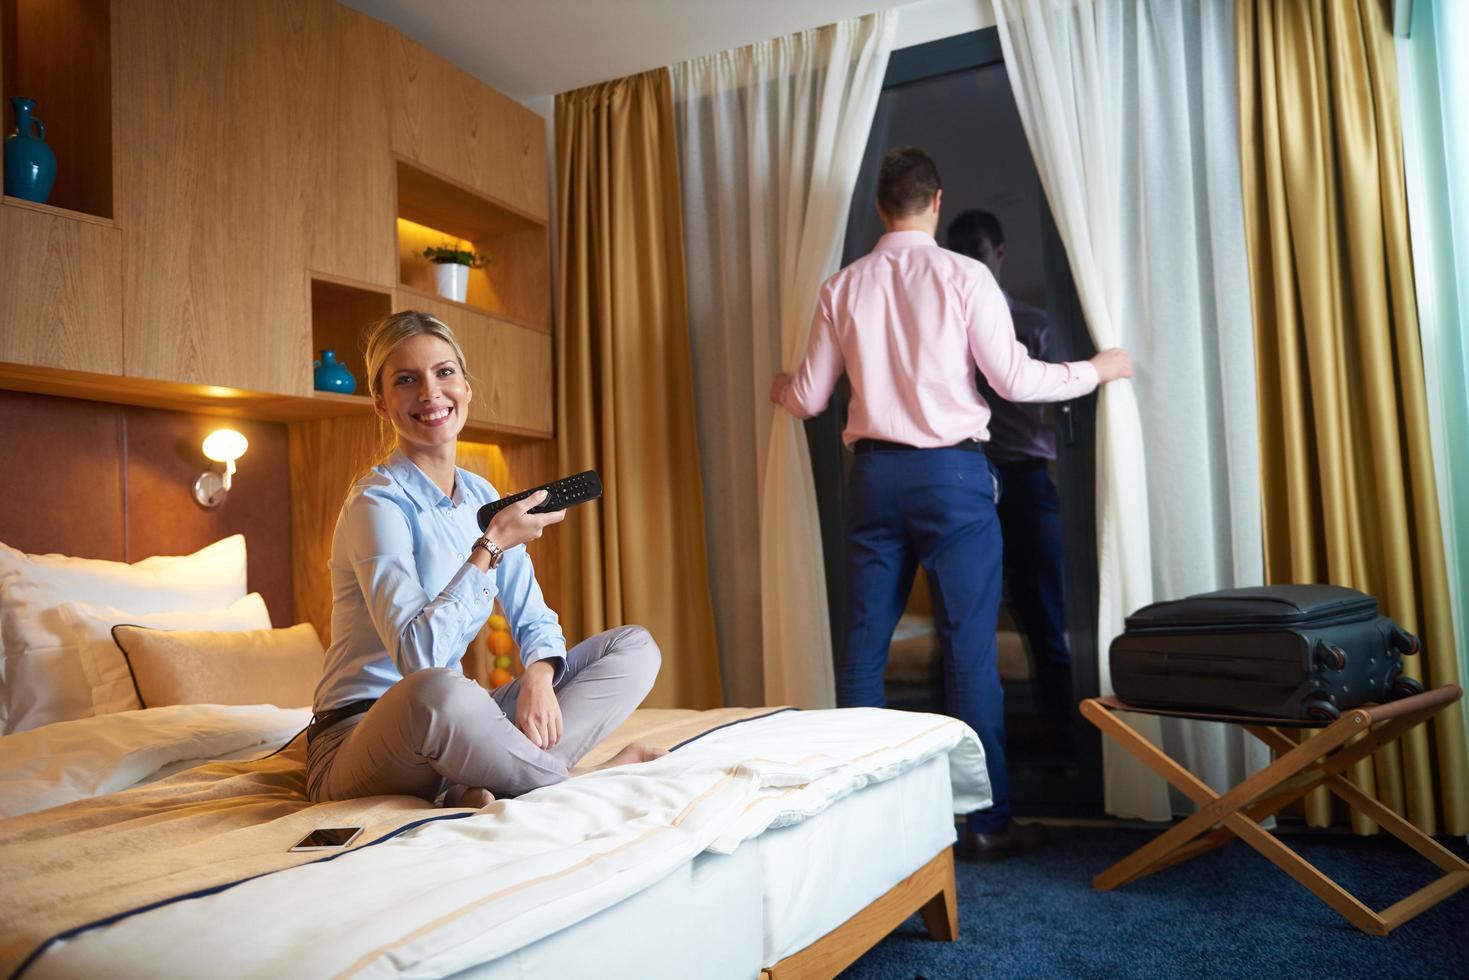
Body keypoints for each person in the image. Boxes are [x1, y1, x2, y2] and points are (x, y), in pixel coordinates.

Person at [769, 148, 1132, 859]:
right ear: (934, 202)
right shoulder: (964, 275)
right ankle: (986, 823)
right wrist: (1097, 370)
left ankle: (865, 822)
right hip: (952, 480)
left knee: (862, 654)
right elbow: (1013, 379)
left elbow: (809, 400)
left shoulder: (839, 286)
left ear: (880, 207)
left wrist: (780, 387)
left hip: (872, 479)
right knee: (970, 652)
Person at [307, 311, 664, 809]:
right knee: (439, 690)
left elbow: (533, 615)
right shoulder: (377, 504)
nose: (430, 393)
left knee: (634, 648)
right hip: (362, 733)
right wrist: (491, 545)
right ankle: (578, 784)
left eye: (444, 372)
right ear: (382, 406)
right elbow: (419, 660)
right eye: (406, 380)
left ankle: (484, 779)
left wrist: (540, 673)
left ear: (466, 388)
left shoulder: (482, 495)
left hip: (460, 723)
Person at [947, 209, 1075, 733]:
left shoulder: (1035, 325)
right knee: (963, 623)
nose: (971, 265)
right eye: (963, 256)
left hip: (1020, 479)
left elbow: (1056, 404)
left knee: (1043, 613)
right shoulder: (944, 332)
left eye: (976, 253)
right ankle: (972, 740)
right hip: (970, 476)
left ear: (997, 254)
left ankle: (1066, 737)